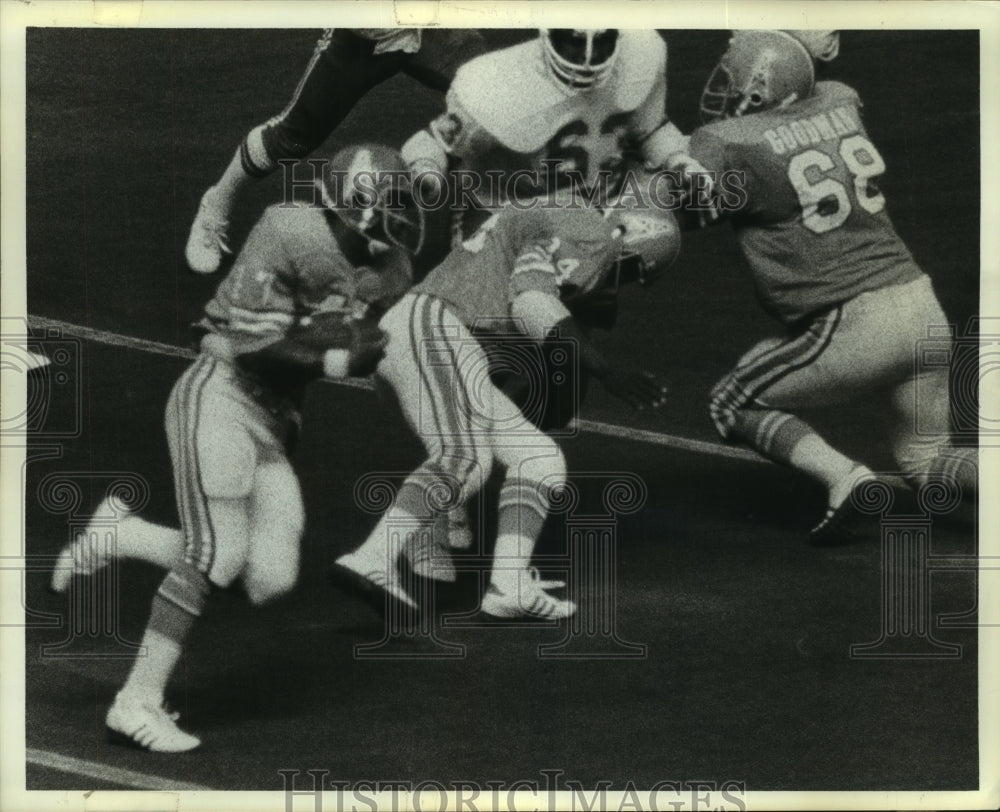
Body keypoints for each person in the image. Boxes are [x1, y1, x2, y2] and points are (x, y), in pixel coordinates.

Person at [51, 143, 423, 751]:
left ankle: (124, 536)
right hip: (221, 395)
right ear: (351, 204)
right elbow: (246, 346)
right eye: (392, 200)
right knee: (217, 553)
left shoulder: (392, 268)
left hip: (276, 422)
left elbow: (366, 335)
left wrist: (361, 348)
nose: (403, 213)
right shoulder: (288, 230)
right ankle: (136, 700)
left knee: (267, 578)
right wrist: (333, 355)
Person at [687, 30, 977, 542]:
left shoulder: (727, 142)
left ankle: (845, 477)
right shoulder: (841, 99)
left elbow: (685, 214)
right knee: (929, 462)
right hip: (919, 302)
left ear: (758, 87)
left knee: (731, 401)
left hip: (856, 320)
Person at [331, 194, 679, 619]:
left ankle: (509, 586)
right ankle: (372, 559)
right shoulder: (594, 234)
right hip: (437, 326)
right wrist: (605, 370)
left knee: (539, 459)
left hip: (446, 342)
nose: (620, 280)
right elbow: (531, 304)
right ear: (625, 232)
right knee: (466, 458)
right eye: (630, 268)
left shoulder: (565, 215)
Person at [185, 28, 485, 274]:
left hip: (433, 28)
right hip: (367, 34)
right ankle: (215, 206)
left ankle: (471, 231)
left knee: (485, 106)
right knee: (292, 138)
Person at [401, 29, 710, 233]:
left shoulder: (640, 53)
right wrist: (426, 171)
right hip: (503, 217)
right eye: (574, 42)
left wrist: (679, 161)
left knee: (655, 239)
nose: (587, 60)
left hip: (592, 214)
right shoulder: (497, 85)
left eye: (600, 42)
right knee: (494, 319)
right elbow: (434, 143)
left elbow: (650, 128)